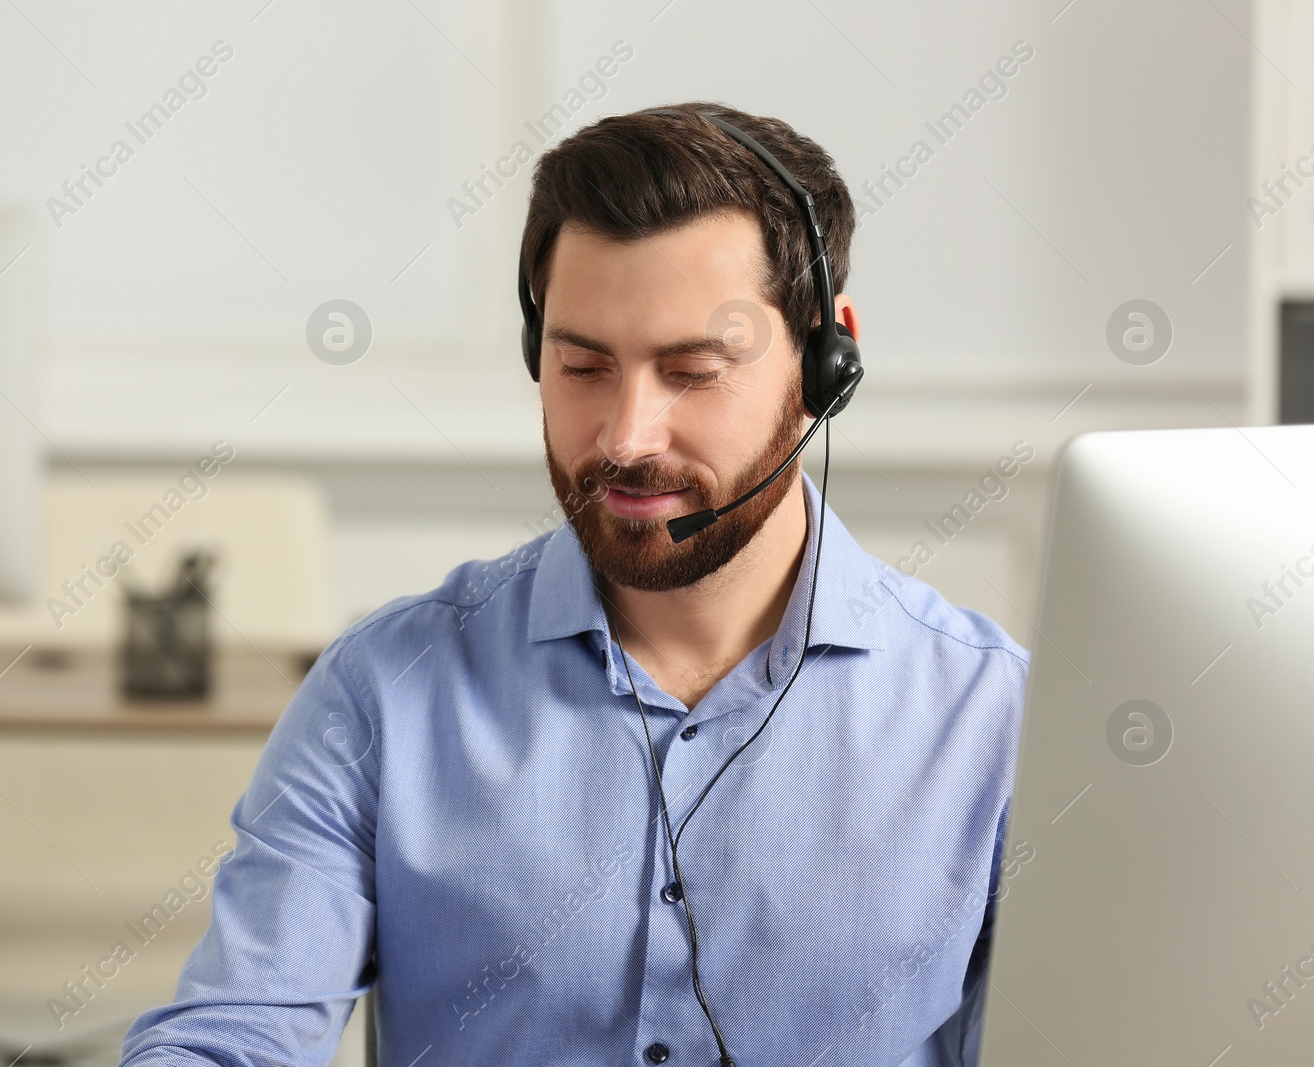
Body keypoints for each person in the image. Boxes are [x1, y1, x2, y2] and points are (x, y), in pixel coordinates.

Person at [119, 102, 1027, 1067]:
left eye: (691, 370)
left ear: (825, 363)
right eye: (583, 365)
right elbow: (232, 1038)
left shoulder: (995, 718)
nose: (627, 437)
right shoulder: (384, 688)